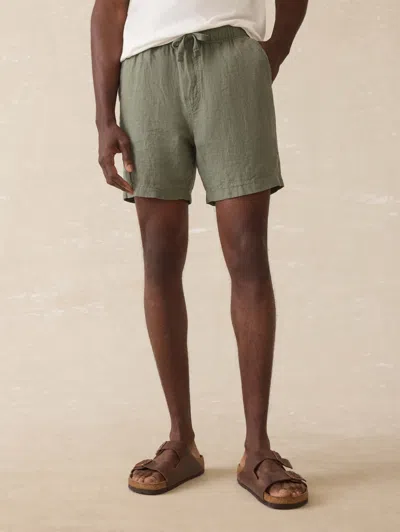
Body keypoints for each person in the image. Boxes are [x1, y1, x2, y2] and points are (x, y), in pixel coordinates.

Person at [91, 0, 309, 510]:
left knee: (247, 254)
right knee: (159, 258)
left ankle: (258, 450)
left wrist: (274, 51)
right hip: (145, 73)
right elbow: (108, 9)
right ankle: (180, 441)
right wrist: (104, 118)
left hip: (232, 61)